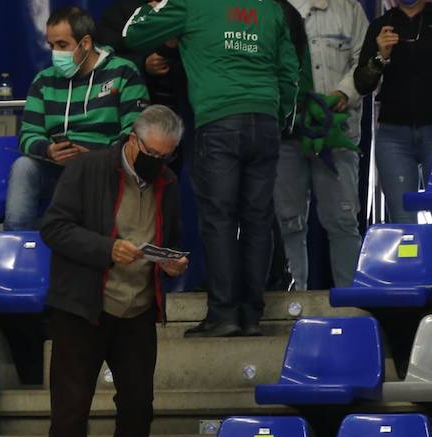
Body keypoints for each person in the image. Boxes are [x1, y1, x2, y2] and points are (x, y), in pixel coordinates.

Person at [39, 105, 187, 437]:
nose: (159, 162)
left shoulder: (168, 182)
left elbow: (169, 238)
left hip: (137, 308)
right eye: (153, 153)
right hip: (82, 308)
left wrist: (173, 263)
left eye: (168, 155)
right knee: (70, 413)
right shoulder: (88, 169)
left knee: (139, 409)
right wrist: (107, 248)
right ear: (132, 140)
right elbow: (54, 228)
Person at [123, 0, 300, 337]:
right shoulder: (271, 9)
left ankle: (224, 314)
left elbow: (133, 33)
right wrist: (277, 117)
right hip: (264, 122)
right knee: (257, 220)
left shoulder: (190, 4)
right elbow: (290, 70)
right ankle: (250, 315)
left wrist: (157, 4)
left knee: (219, 219)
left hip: (219, 121)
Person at [5, 6, 150, 231]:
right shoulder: (43, 81)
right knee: (24, 167)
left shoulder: (124, 73)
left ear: (86, 43)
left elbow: (136, 133)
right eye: (51, 46)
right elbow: (28, 135)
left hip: (106, 170)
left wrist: (95, 158)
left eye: (62, 45)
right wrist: (49, 151)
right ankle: (15, 247)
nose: (56, 53)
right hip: (57, 169)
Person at [355, 0, 432, 223]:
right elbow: (362, 84)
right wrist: (381, 55)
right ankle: (411, 258)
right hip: (393, 134)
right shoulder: (381, 25)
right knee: (402, 216)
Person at [276, 0, 366, 289]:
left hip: (336, 130)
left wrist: (345, 91)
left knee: (342, 219)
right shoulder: (268, 9)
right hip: (285, 133)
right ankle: (292, 300)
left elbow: (366, 60)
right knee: (286, 220)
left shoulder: (348, 9)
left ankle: (351, 302)